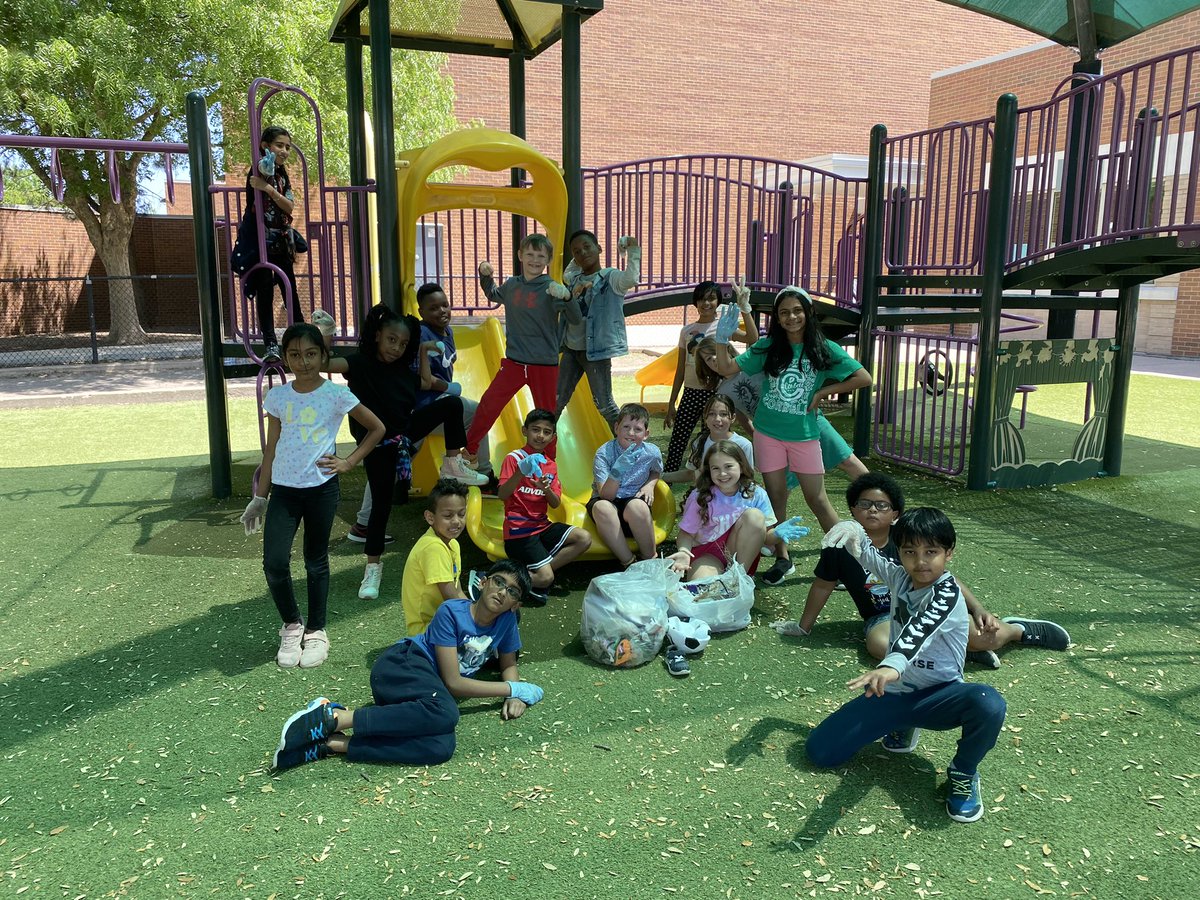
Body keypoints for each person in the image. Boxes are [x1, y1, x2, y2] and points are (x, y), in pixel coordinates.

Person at [808, 508, 1008, 824]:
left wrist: (891, 666)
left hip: (940, 696)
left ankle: (963, 773)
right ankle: (901, 724)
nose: (920, 561)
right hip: (896, 692)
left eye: (931, 552)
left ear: (948, 553)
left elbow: (919, 631)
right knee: (820, 752)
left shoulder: (947, 593)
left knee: (989, 703)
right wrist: (853, 530)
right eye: (910, 552)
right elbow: (870, 557)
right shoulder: (901, 576)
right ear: (900, 552)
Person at [771, 473, 1071, 667]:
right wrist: (804, 626)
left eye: (882, 505)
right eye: (864, 504)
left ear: (896, 514)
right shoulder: (842, 544)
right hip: (883, 617)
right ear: (852, 509)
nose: (872, 510)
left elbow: (946, 580)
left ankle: (1020, 630)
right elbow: (822, 585)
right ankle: (959, 652)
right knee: (880, 645)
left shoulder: (909, 539)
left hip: (929, 604)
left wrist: (978, 608)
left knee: (987, 635)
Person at [271, 561, 544, 772]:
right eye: (499, 582)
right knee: (446, 712)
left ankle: (333, 745)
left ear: (515, 604)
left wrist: (515, 693)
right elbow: (454, 683)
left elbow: (509, 663)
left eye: (511, 591)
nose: (502, 592)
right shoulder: (452, 611)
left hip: (425, 694)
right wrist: (511, 687)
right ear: (483, 582)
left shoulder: (506, 622)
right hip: (402, 666)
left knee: (441, 747)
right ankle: (334, 718)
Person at [316, 306, 487, 602]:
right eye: (391, 340)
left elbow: (424, 383)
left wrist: (421, 352)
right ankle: (372, 568)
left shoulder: (403, 370)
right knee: (382, 505)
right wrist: (325, 335)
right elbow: (323, 363)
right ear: (377, 336)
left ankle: (452, 464)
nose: (396, 348)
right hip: (377, 444)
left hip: (404, 434)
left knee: (452, 405)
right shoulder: (359, 364)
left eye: (403, 343)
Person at [241, 323, 385, 669]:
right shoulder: (278, 396)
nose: (303, 362)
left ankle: (317, 631)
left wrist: (349, 461)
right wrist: (260, 497)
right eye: (294, 355)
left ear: (323, 356)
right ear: (285, 358)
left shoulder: (336, 395)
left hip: (321, 490)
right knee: (274, 562)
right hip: (285, 493)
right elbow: (271, 448)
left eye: (311, 354)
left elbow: (377, 427)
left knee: (315, 561)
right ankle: (292, 626)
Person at [709, 286, 873, 586]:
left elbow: (863, 377)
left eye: (797, 310)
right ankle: (784, 559)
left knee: (818, 500)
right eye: (784, 312)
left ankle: (854, 562)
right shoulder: (770, 346)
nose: (791, 317)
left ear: (808, 312)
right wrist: (722, 339)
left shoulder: (824, 348)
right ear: (777, 317)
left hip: (804, 434)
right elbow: (726, 367)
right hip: (768, 434)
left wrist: (824, 391)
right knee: (776, 501)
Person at [345, 282, 497, 544]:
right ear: (421, 311)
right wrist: (448, 387)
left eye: (445, 305)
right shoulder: (421, 336)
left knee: (390, 464)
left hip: (421, 410)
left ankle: (363, 523)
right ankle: (481, 473)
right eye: (433, 308)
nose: (442, 311)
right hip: (415, 409)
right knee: (475, 413)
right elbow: (417, 377)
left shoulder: (445, 332)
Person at [466, 234, 580, 459]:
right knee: (489, 404)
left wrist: (567, 298)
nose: (535, 260)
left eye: (541, 256)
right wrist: (485, 274)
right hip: (514, 364)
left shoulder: (550, 288)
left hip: (544, 366)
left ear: (547, 260)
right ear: (520, 255)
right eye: (530, 254)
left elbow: (576, 319)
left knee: (546, 417)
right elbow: (492, 294)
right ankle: (469, 452)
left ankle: (548, 463)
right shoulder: (512, 285)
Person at [695, 337, 868, 481]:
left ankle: (882, 496)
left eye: (716, 353)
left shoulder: (754, 365)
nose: (715, 360)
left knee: (846, 460)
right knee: (780, 485)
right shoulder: (723, 392)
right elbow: (742, 418)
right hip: (773, 434)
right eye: (708, 359)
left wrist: (820, 393)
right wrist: (758, 439)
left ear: (728, 350)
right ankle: (776, 522)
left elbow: (755, 339)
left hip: (806, 419)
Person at [666, 440, 806, 581]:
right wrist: (684, 551)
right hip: (707, 554)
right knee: (703, 590)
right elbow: (686, 533)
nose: (722, 473)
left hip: (740, 557)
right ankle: (726, 582)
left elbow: (764, 537)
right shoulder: (700, 496)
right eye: (715, 468)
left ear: (741, 465)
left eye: (728, 466)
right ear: (709, 470)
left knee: (754, 515)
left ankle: (738, 577)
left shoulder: (756, 493)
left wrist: (776, 534)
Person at [497, 408, 592, 605]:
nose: (540, 436)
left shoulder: (550, 464)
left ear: (553, 437)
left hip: (542, 526)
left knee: (584, 538)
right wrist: (519, 473)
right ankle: (496, 580)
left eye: (546, 432)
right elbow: (502, 494)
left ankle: (531, 574)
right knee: (546, 578)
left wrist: (546, 489)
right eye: (535, 430)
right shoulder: (513, 459)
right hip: (519, 531)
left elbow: (556, 503)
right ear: (525, 431)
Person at [664, 280, 757, 472]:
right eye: (701, 299)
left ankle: (707, 482)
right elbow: (681, 369)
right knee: (678, 441)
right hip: (690, 393)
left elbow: (752, 338)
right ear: (695, 303)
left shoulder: (724, 325)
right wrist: (672, 402)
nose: (706, 304)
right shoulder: (686, 331)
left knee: (710, 441)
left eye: (711, 299)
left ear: (718, 301)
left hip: (715, 394)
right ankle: (667, 483)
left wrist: (745, 308)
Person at [557, 231, 641, 427]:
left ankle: (630, 448)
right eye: (577, 252)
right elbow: (568, 270)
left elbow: (632, 278)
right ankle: (540, 451)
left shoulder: (611, 278)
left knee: (605, 405)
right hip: (571, 349)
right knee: (556, 401)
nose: (583, 253)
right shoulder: (573, 278)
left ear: (599, 249)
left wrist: (633, 246)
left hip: (596, 353)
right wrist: (577, 255)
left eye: (587, 247)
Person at [243, 125, 304, 362]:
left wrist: (269, 189)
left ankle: (301, 334)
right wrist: (265, 178)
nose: (285, 151)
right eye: (280, 145)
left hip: (279, 240)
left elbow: (289, 206)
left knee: (290, 290)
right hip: (261, 241)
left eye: (288, 147)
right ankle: (270, 343)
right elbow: (263, 168)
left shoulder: (281, 174)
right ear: (265, 146)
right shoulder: (263, 167)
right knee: (265, 290)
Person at [587, 402, 664, 566]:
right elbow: (606, 495)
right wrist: (617, 471)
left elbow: (655, 471)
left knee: (638, 506)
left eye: (637, 429)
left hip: (633, 501)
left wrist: (649, 485)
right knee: (603, 508)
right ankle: (628, 562)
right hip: (607, 500)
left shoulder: (651, 452)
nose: (631, 433)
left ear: (646, 433)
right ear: (616, 428)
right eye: (626, 427)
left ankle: (650, 559)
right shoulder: (604, 453)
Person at [400, 478, 468, 638]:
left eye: (462, 514)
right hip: (426, 632)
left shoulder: (452, 544)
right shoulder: (433, 547)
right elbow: (451, 598)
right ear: (430, 517)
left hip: (443, 622)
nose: (456, 521)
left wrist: (475, 610)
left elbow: (458, 590)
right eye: (448, 515)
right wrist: (477, 618)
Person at [662, 392, 753, 484]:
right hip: (705, 496)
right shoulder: (700, 441)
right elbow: (692, 473)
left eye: (723, 414)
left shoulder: (743, 445)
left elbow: (747, 479)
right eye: (712, 414)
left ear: (733, 418)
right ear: (705, 417)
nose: (717, 419)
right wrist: (660, 476)